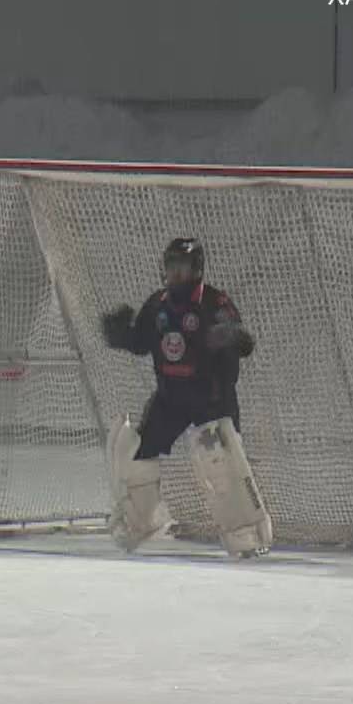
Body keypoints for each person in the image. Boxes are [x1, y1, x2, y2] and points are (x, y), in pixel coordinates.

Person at [99, 237, 270, 558]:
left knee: (223, 465)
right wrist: (121, 335)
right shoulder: (159, 304)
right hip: (170, 400)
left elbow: (246, 344)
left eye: (182, 268)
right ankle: (142, 522)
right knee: (137, 453)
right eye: (171, 268)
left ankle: (246, 533)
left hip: (211, 401)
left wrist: (232, 336)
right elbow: (141, 341)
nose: (175, 275)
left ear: (197, 269)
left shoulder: (215, 303)